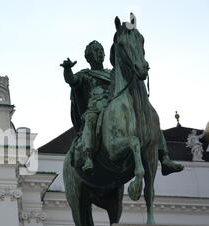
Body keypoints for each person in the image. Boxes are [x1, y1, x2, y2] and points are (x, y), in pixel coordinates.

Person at [61, 40, 183, 175]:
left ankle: (164, 157)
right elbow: (72, 80)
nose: (100, 53)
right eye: (96, 51)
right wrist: (67, 69)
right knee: (90, 120)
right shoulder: (85, 75)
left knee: (148, 118)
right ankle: (88, 156)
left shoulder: (112, 73)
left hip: (118, 105)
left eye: (101, 50)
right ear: (89, 57)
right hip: (97, 107)